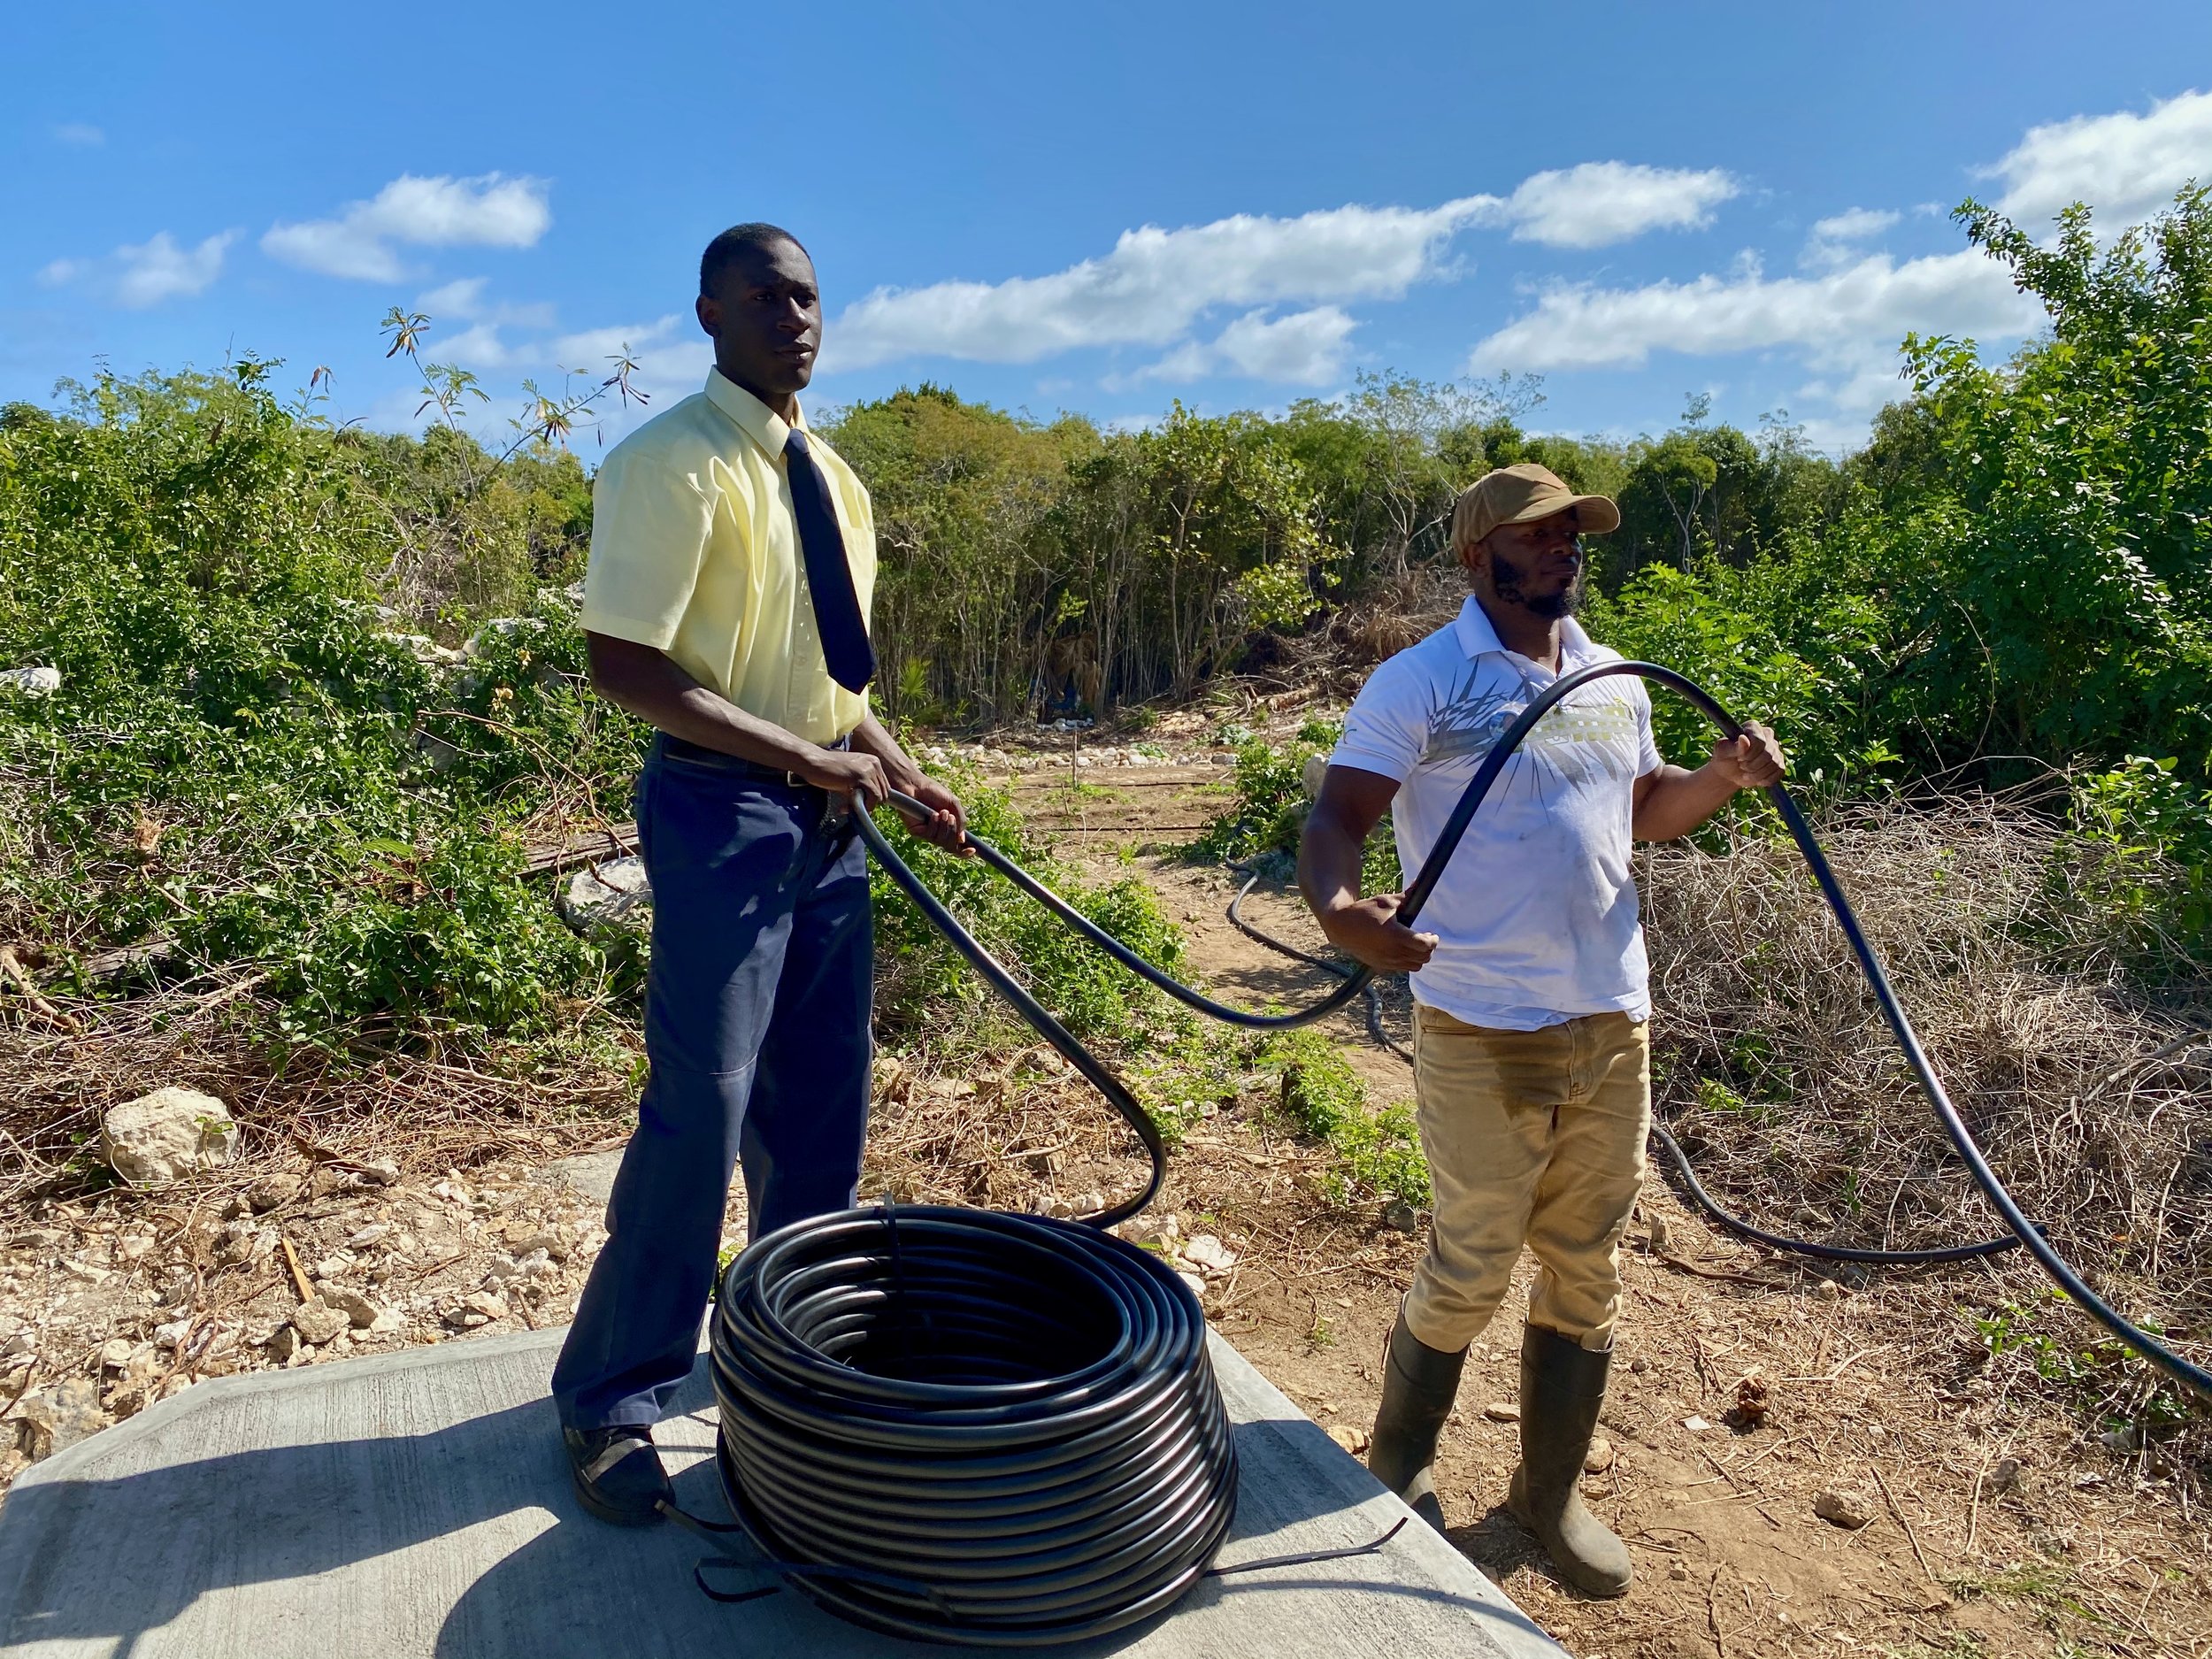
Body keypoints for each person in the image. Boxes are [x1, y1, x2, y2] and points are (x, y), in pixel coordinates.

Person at [1297, 464, 1784, 1597]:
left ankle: (1546, 1493)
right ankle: (1399, 1466)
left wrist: (1717, 776)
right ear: (1479, 555)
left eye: (1573, 532)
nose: (1564, 548)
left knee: (1585, 1267)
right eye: (1539, 535)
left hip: (1611, 1018)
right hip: (1481, 1025)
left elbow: (1641, 813)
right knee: (1470, 1267)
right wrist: (1341, 914)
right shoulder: (1419, 679)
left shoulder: (1613, 677)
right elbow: (1338, 817)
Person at [549, 222, 969, 1525]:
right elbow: (626, 665)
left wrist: (896, 766)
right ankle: (612, 1393)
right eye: (766, 297)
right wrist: (797, 753)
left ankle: (793, 1357)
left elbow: (838, 683)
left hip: (832, 818)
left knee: (820, 1105)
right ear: (708, 314)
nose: (796, 317)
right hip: (722, 813)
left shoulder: (835, 479)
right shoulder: (669, 463)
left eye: (810, 297)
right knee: (706, 1101)